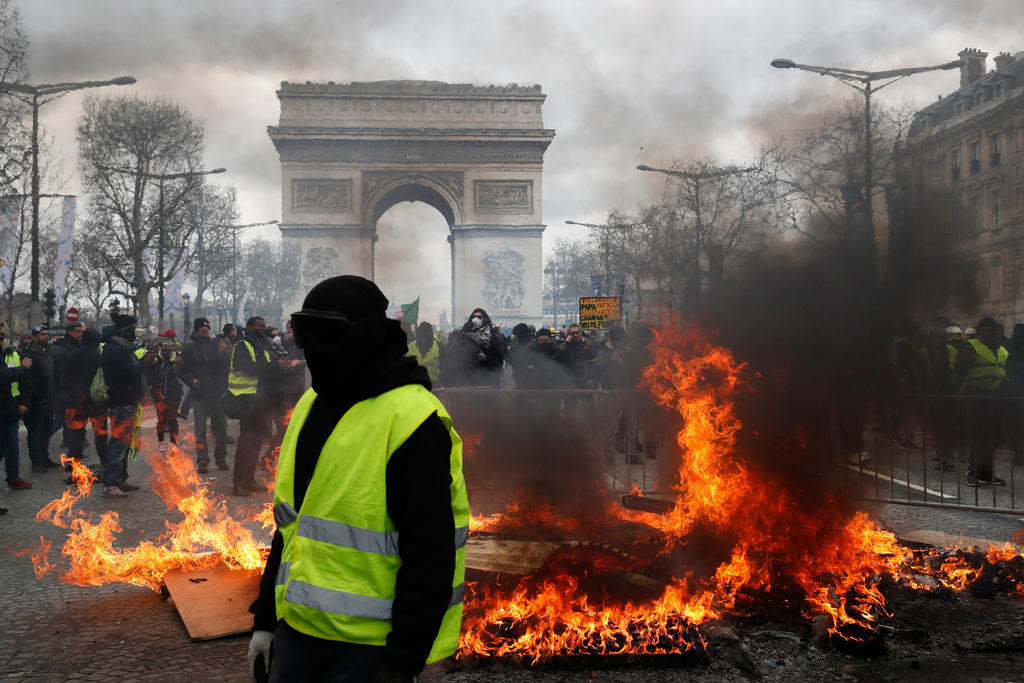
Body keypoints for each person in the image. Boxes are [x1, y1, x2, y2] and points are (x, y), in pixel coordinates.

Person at [247, 275, 468, 683]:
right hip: (296, 635)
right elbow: (290, 526)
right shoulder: (309, 403)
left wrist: (402, 661)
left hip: (372, 651)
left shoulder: (413, 419)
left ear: (365, 334)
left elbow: (431, 554)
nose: (311, 350)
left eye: (324, 335)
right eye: (303, 336)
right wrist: (265, 618)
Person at [229, 316, 296, 496]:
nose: (263, 327)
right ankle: (239, 484)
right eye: (259, 325)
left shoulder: (262, 344)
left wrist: (285, 367)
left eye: (264, 325)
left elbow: (267, 372)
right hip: (245, 400)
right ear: (250, 326)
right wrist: (276, 365)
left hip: (260, 401)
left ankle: (249, 480)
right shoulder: (243, 345)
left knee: (257, 442)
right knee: (246, 443)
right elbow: (249, 368)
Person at [101, 314, 153, 498]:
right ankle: (111, 484)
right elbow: (129, 374)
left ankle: (120, 479)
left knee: (124, 443)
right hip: (121, 401)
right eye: (132, 330)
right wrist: (144, 364)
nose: (135, 334)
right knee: (118, 442)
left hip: (127, 400)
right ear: (124, 331)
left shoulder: (121, 348)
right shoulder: (116, 350)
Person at [954, 316, 1008, 486]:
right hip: (975, 395)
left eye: (991, 330)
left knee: (994, 434)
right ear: (979, 332)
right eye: (984, 330)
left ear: (995, 332)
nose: (987, 333)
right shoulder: (970, 346)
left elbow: (1002, 369)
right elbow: (959, 370)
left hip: (995, 396)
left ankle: (985, 472)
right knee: (979, 434)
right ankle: (972, 472)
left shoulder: (1000, 349)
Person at [180, 317, 229, 474]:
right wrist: (191, 380)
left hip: (217, 393)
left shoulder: (214, 345)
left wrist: (223, 354)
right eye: (203, 326)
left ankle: (221, 458)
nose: (206, 329)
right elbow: (181, 370)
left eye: (208, 326)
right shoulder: (189, 347)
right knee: (200, 430)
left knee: (221, 427)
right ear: (197, 328)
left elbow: (224, 368)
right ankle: (202, 460)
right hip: (199, 395)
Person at [63, 328, 109, 477]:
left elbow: (66, 378)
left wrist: (74, 396)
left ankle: (73, 465)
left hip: (77, 403)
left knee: (76, 434)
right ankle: (105, 462)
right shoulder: (99, 356)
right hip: (97, 402)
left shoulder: (74, 354)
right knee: (101, 433)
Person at [23, 324, 59, 474]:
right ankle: (36, 462)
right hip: (36, 402)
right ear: (35, 337)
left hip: (49, 400)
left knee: (46, 432)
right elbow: (27, 380)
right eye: (43, 334)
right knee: (35, 433)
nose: (46, 336)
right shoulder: (29, 354)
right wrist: (34, 398)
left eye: (47, 334)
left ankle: (44, 458)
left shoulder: (47, 353)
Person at [1, 332, 32, 490]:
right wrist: (23, 368)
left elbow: (23, 382)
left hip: (10, 406)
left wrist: (24, 401)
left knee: (12, 444)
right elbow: (5, 375)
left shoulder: (13, 354)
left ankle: (13, 477)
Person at [443, 308, 505, 388]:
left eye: (479, 317)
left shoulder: (493, 338)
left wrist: (486, 358)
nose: (476, 319)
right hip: (468, 382)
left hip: (488, 382)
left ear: (484, 319)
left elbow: (499, 361)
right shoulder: (464, 336)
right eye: (474, 317)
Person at [146, 330, 184, 451]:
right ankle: (161, 442)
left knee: (172, 418)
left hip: (174, 394)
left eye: (169, 342)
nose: (166, 345)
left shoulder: (177, 358)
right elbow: (149, 374)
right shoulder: (156, 358)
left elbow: (182, 374)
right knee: (161, 418)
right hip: (159, 393)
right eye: (164, 343)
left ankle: (173, 444)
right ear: (160, 345)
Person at [407, 322, 441, 387]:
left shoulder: (439, 347)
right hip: (414, 386)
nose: (424, 337)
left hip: (434, 387)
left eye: (427, 333)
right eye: (422, 333)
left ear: (431, 334)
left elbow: (444, 368)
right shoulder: (409, 348)